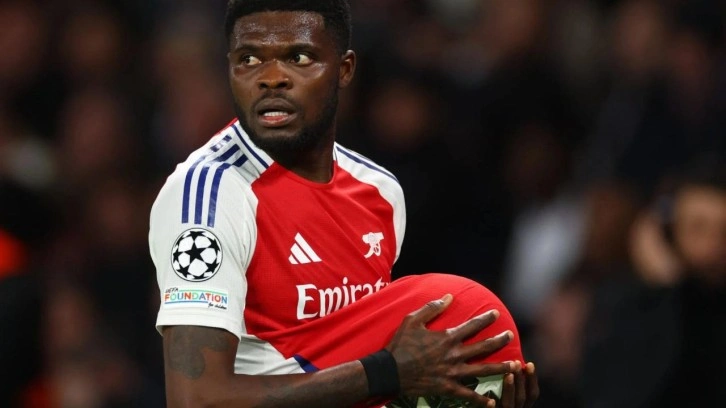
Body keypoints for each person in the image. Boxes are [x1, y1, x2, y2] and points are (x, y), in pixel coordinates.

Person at [149, 1, 538, 407]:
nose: (271, 78)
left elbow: (353, 373)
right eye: (249, 59)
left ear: (345, 69)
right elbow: (196, 400)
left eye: (299, 57)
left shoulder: (380, 192)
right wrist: (387, 372)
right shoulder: (208, 197)